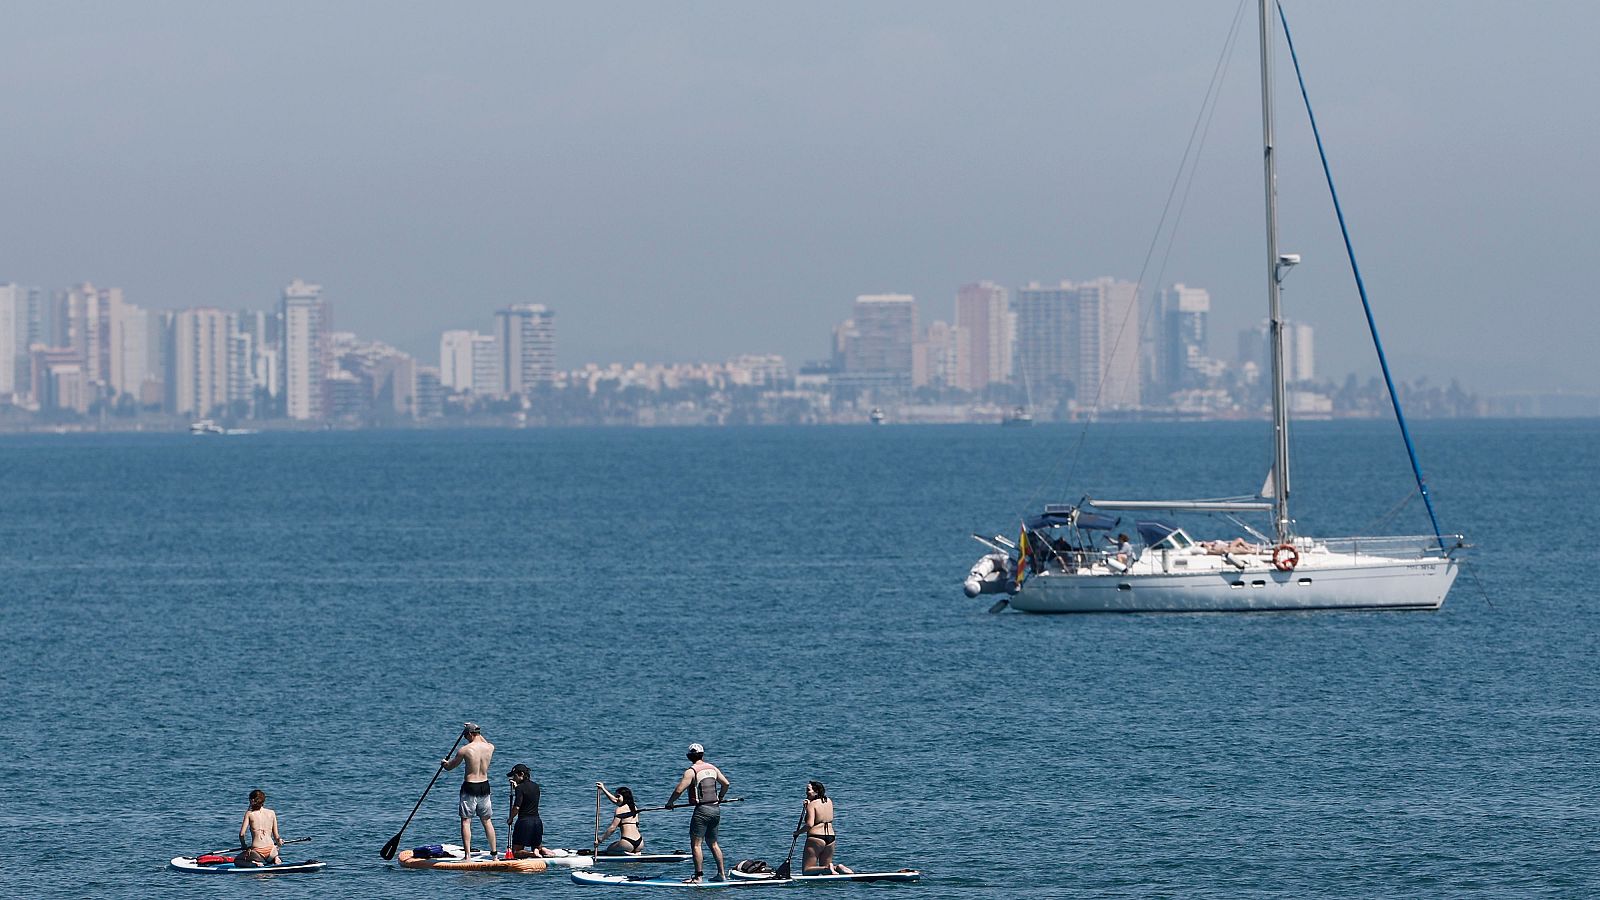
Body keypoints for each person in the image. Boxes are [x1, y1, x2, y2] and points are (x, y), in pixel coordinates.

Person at [667, 742, 729, 883]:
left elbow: (679, 790)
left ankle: (698, 876)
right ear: (702, 754)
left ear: (689, 756)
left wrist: (670, 803)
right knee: (713, 843)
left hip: (702, 811)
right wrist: (720, 798)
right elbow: (726, 784)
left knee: (696, 844)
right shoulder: (712, 768)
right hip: (715, 810)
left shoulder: (691, 771)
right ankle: (721, 874)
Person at [441, 722, 496, 857]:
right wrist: (474, 726)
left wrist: (444, 764)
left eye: (466, 736)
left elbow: (450, 767)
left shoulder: (465, 750)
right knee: (487, 820)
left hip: (470, 786)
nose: (465, 738)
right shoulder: (490, 747)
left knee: (466, 821)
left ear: (470, 734)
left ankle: (467, 856)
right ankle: (494, 855)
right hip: (485, 785)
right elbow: (482, 739)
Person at [799, 781, 854, 876]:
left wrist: (797, 832)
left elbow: (809, 824)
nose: (806, 793)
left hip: (816, 838)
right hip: (831, 837)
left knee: (807, 871)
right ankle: (837, 868)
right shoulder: (829, 801)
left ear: (816, 791)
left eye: (808, 790)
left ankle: (828, 868)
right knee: (827, 870)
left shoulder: (812, 805)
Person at [506, 764, 546, 858]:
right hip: (537, 822)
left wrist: (510, 818)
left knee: (516, 852)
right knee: (536, 846)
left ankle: (532, 854)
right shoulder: (536, 786)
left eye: (514, 776)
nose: (513, 778)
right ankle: (541, 850)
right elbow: (527, 795)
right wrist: (517, 788)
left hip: (524, 823)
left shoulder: (520, 788)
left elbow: (517, 807)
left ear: (521, 774)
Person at [596, 782, 645, 855]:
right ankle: (636, 852)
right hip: (640, 843)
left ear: (624, 797)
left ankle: (625, 853)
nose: (616, 798)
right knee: (615, 844)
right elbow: (615, 800)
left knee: (609, 850)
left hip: (627, 842)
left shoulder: (619, 810)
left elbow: (612, 828)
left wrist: (600, 840)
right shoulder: (634, 808)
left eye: (618, 796)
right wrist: (603, 789)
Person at [236, 789, 281, 867]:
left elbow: (242, 834)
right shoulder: (272, 813)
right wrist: (279, 842)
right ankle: (275, 858)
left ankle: (255, 864)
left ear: (251, 800)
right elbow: (276, 837)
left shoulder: (249, 814)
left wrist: (244, 846)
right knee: (274, 851)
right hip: (272, 850)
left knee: (237, 860)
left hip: (258, 852)